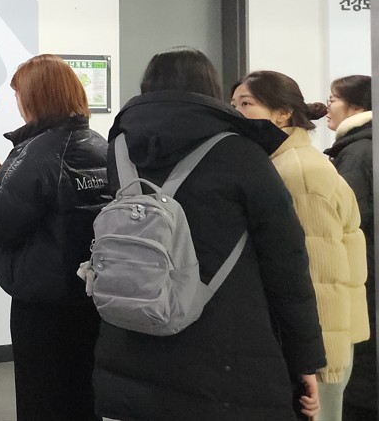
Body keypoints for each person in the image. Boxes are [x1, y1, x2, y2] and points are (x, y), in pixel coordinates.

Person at [95, 47, 325, 420]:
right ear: (210, 88)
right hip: (223, 354)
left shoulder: (119, 149)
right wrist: (305, 360)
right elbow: (286, 263)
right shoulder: (241, 152)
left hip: (132, 333)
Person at [0, 54, 107, 420]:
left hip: (43, 303)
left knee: (42, 398)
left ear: (36, 98)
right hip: (93, 296)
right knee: (84, 395)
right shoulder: (100, 145)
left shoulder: (37, 153)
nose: (18, 103)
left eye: (19, 95)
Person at [232, 70, 368, 420]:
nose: (237, 113)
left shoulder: (299, 173)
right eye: (233, 105)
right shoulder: (282, 163)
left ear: (283, 113)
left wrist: (321, 365)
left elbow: (322, 278)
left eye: (247, 104)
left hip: (320, 351)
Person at [324, 75, 375, 421]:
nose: (327, 106)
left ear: (355, 106)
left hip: (363, 270)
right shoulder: (363, 146)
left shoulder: (356, 152)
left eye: (333, 99)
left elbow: (346, 216)